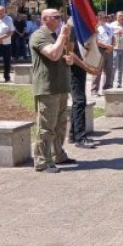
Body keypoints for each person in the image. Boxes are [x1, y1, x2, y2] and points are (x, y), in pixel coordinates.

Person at [29, 9, 76, 173]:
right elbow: (53, 55)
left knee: (61, 125)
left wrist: (69, 60)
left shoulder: (55, 36)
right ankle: (42, 161)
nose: (59, 20)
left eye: (60, 17)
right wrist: (63, 36)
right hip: (47, 88)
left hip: (61, 86)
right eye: (56, 17)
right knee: (46, 127)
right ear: (45, 19)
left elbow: (62, 57)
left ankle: (58, 154)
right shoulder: (39, 36)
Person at [66, 19, 99, 149]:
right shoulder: (72, 27)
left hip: (79, 69)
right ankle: (80, 137)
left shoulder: (78, 26)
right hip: (73, 70)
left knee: (79, 101)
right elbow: (70, 52)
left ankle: (74, 134)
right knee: (79, 101)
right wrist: (87, 67)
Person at [90, 12, 115, 96]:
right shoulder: (96, 27)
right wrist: (106, 46)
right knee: (98, 70)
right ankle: (94, 90)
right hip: (99, 50)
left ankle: (107, 88)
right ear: (98, 18)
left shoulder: (109, 26)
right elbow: (95, 40)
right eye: (103, 17)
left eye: (106, 17)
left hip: (109, 50)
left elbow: (113, 37)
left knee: (109, 70)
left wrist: (111, 47)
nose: (105, 19)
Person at [109, 11, 123, 88]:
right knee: (113, 67)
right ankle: (110, 83)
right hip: (115, 49)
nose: (122, 17)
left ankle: (119, 83)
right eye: (120, 16)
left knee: (121, 67)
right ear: (116, 17)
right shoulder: (112, 25)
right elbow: (109, 36)